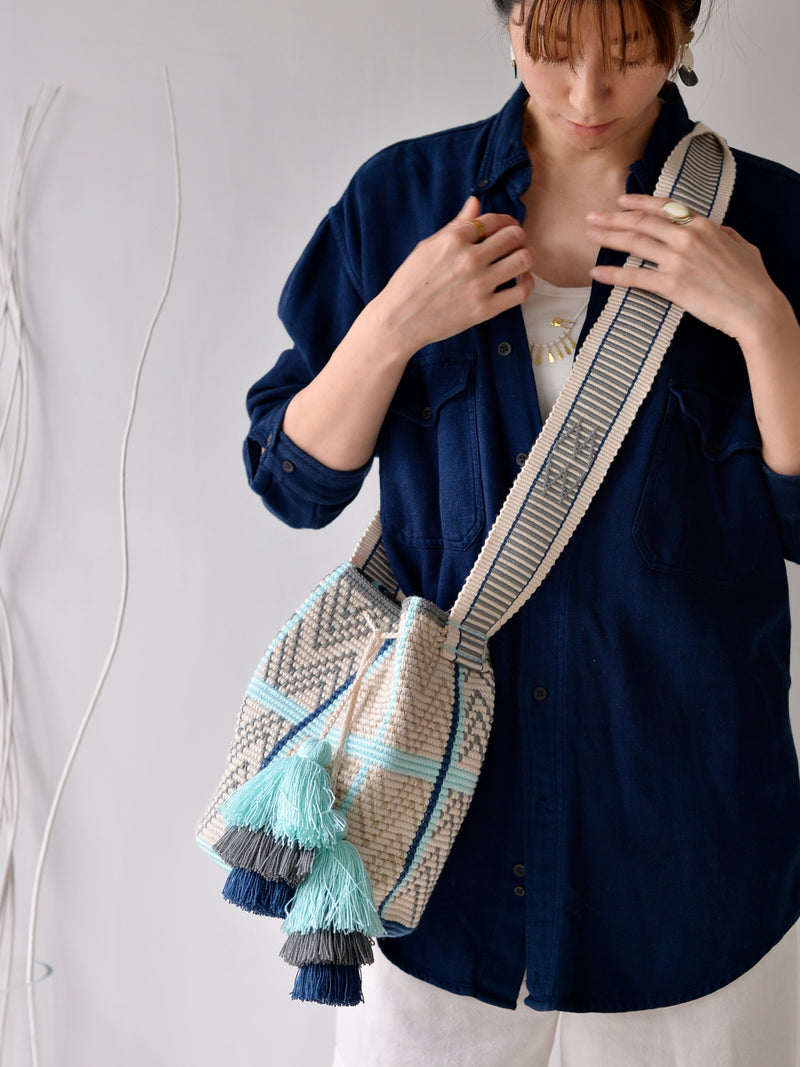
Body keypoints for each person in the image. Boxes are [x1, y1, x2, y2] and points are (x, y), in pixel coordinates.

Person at [242, 0, 800, 1063]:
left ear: (683, 28)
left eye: (628, 51)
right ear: (506, 23)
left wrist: (764, 324)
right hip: (431, 854)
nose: (587, 91)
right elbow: (293, 481)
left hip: (686, 859)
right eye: (552, 49)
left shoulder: (769, 217)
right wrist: (393, 324)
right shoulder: (402, 200)